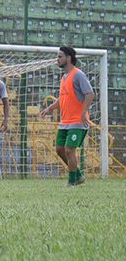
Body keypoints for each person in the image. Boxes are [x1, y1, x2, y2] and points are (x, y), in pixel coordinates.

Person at [40, 46, 95, 186]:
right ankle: (78, 176)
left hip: (77, 121)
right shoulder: (64, 77)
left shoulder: (78, 74)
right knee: (59, 149)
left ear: (69, 58)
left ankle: (72, 182)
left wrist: (84, 112)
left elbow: (90, 94)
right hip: (65, 122)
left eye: (60, 56)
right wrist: (49, 108)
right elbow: (62, 98)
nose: (57, 59)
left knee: (70, 150)